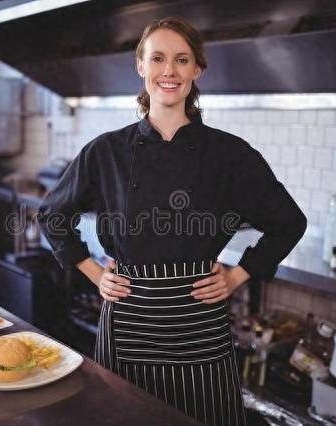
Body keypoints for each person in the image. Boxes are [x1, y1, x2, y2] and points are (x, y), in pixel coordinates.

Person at [38, 17, 307, 426]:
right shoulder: (106, 152)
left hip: (200, 325)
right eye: (158, 59)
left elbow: (289, 221)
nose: (170, 71)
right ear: (140, 66)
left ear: (197, 70)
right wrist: (94, 273)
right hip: (129, 322)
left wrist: (238, 275)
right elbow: (52, 214)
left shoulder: (229, 155)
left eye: (182, 60)